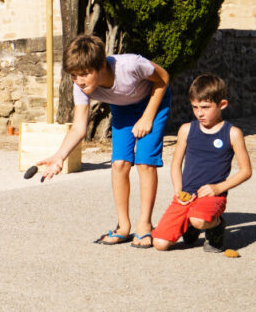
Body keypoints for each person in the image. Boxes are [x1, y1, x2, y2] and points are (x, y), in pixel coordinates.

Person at [37, 34, 170, 248]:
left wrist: (147, 117)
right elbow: (79, 127)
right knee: (119, 164)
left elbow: (163, 78)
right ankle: (123, 227)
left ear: (101, 66)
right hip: (123, 108)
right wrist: (59, 156)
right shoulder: (80, 87)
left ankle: (145, 225)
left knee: (145, 163)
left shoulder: (131, 65)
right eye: (74, 76)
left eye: (84, 74)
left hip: (153, 100)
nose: (79, 81)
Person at [152, 74, 252, 252]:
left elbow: (246, 171)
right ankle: (190, 224)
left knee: (199, 220)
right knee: (159, 244)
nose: (199, 113)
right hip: (186, 195)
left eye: (205, 107)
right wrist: (178, 192)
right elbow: (176, 165)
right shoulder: (186, 130)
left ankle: (215, 226)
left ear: (222, 105)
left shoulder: (233, 133)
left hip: (212, 196)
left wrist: (218, 188)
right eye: (195, 107)